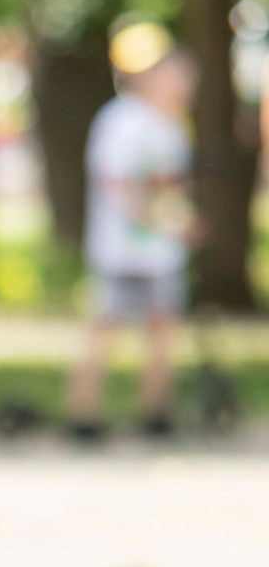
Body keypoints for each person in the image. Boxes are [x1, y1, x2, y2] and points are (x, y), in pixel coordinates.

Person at [64, 39, 194, 441]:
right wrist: (162, 218)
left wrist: (180, 219)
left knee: (162, 329)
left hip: (160, 253)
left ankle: (156, 414)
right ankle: (81, 417)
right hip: (119, 250)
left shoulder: (172, 126)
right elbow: (118, 185)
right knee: (104, 328)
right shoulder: (121, 121)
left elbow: (171, 186)